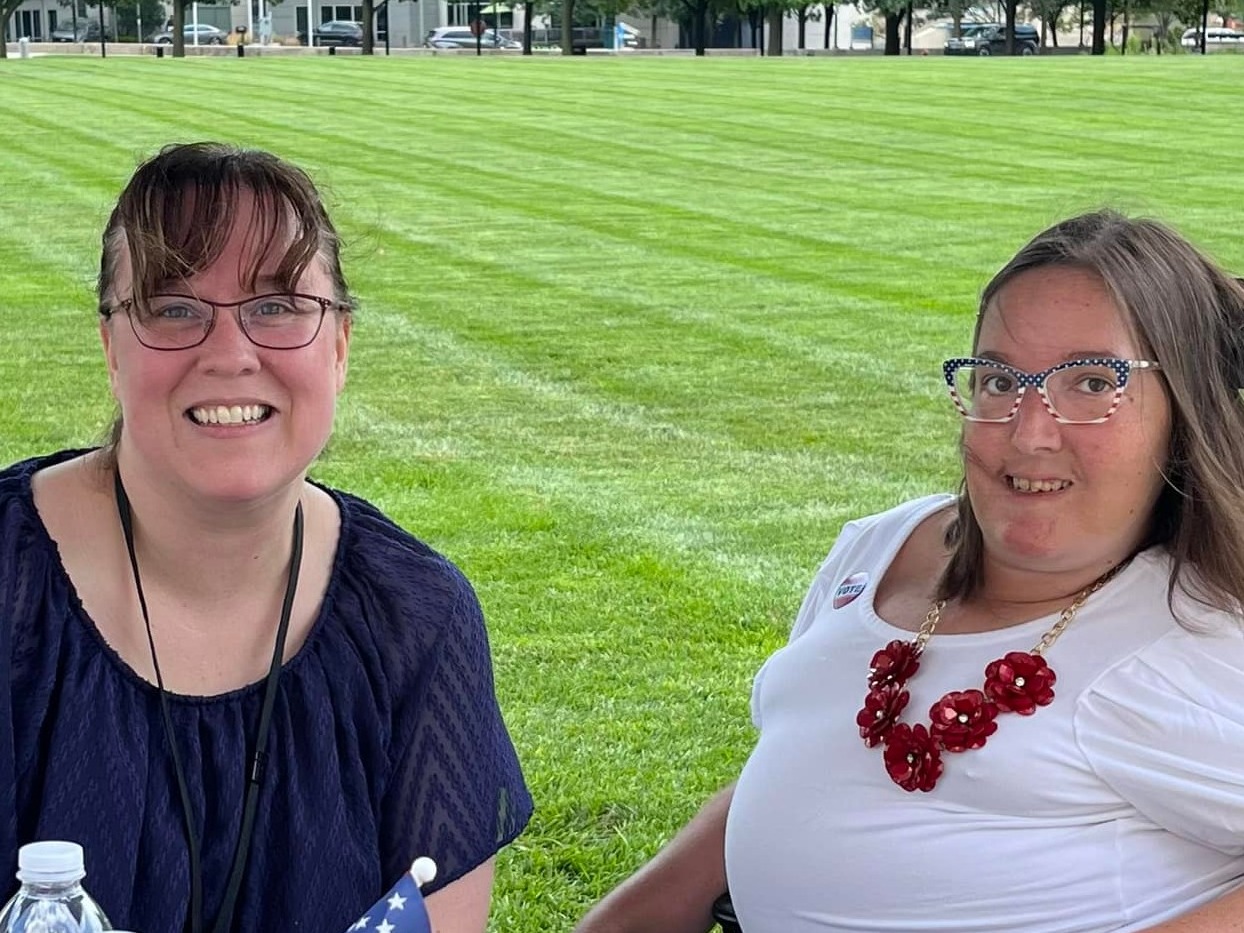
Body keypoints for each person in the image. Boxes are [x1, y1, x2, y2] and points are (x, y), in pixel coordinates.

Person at [575, 210, 1244, 933]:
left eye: (1091, 382)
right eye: (998, 380)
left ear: (1185, 411)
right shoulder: (885, 545)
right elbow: (814, 757)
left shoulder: (1188, 641)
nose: (1028, 430)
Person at [0, 142, 533, 933]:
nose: (230, 354)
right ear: (112, 346)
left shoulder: (416, 619)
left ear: (340, 345)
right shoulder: (12, 591)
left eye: (278, 305)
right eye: (174, 307)